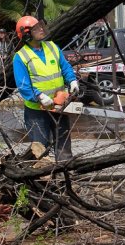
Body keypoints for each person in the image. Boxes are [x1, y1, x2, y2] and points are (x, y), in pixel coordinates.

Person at [12, 16, 79, 161]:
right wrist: (40, 96)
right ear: (27, 34)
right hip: (37, 111)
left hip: (59, 106)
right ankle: (43, 179)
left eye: (41, 26)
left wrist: (72, 81)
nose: (42, 29)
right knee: (40, 149)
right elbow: (23, 86)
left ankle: (66, 175)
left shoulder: (52, 47)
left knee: (64, 146)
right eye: (37, 28)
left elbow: (65, 66)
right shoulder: (21, 57)